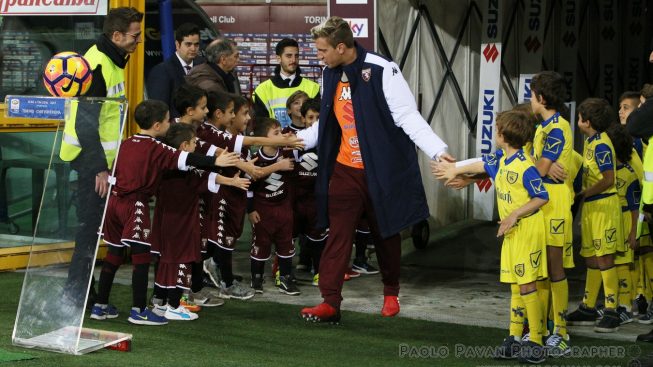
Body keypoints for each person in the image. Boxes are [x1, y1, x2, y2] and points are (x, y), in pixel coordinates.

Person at [297, 16, 452, 323]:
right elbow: (326, 124)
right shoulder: (328, 74)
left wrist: (439, 150)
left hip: (382, 170)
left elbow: (409, 117)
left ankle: (391, 292)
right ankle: (330, 302)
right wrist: (294, 139)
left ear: (342, 47)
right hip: (344, 170)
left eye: (322, 50)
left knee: (387, 232)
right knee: (337, 234)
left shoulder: (383, 70)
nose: (319, 56)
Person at [90, 100, 240, 325]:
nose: (172, 123)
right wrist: (215, 160)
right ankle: (139, 310)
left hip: (113, 203)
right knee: (141, 258)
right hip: (135, 204)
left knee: (114, 254)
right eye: (169, 120)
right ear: (158, 125)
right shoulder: (156, 147)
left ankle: (100, 306)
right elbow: (186, 158)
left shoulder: (127, 143)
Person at [433, 109, 549, 364]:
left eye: (497, 129)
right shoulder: (502, 161)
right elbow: (481, 164)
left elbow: (542, 197)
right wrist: (456, 170)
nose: (494, 132)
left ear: (504, 136)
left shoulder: (525, 167)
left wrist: (514, 215)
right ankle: (515, 338)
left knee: (527, 285)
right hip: (512, 230)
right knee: (517, 286)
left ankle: (537, 341)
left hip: (527, 228)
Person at [59, 7, 143, 309]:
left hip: (98, 162)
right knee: (89, 230)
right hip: (91, 163)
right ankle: (75, 296)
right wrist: (99, 169)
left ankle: (83, 293)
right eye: (135, 36)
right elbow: (85, 122)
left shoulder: (110, 59)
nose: (139, 42)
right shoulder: (98, 65)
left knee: (92, 231)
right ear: (117, 35)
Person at [150, 123, 249, 321]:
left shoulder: (169, 165)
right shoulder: (181, 168)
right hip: (181, 222)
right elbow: (202, 175)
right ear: (185, 146)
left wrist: (232, 181)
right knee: (182, 261)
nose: (196, 146)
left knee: (167, 262)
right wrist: (220, 165)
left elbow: (204, 175)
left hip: (166, 221)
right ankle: (174, 305)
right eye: (194, 142)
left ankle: (160, 303)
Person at [567, 98, 623, 333]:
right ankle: (588, 307)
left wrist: (584, 193)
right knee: (590, 258)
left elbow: (609, 179)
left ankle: (612, 310)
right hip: (592, 206)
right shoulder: (591, 141)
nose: (577, 121)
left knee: (604, 259)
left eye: (579, 118)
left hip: (603, 207)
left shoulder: (600, 145)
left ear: (586, 121)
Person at [528, 71, 574, 355]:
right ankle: (543, 327)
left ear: (541, 98)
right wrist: (540, 162)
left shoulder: (557, 127)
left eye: (531, 95)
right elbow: (540, 166)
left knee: (555, 266)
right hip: (543, 199)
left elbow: (540, 170)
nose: (529, 100)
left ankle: (562, 332)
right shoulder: (543, 127)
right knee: (542, 266)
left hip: (554, 202)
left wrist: (541, 164)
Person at [248, 118, 300, 296]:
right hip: (263, 209)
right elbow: (249, 187)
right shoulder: (255, 158)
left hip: (284, 207)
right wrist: (250, 209)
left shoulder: (287, 153)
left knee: (286, 243)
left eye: (280, 132)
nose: (280, 136)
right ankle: (256, 278)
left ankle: (285, 278)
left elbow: (299, 154)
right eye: (275, 133)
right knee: (261, 244)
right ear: (264, 138)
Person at [604, 123, 641, 325]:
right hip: (612, 220)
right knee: (614, 262)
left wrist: (634, 231)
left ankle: (626, 306)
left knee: (623, 263)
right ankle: (615, 302)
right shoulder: (608, 171)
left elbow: (635, 207)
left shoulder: (628, 174)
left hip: (626, 220)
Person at [252, 38, 320, 127]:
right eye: (289, 56)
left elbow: (316, 123)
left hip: (305, 140)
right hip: (275, 140)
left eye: (296, 56)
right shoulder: (262, 90)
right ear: (278, 58)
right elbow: (261, 126)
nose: (293, 60)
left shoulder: (313, 88)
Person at [146, 23, 204, 118]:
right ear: (177, 45)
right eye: (188, 44)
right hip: (175, 129)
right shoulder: (162, 71)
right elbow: (158, 109)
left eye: (196, 44)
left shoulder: (203, 66)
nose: (193, 48)